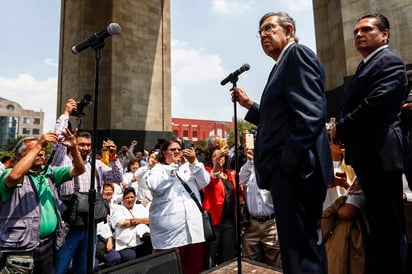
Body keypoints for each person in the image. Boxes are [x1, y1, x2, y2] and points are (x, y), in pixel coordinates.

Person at [231, 11, 334, 273]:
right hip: (291, 172)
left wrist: (284, 163)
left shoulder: (297, 55)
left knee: (302, 251)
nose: (263, 35)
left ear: (288, 30)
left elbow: (311, 115)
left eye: (269, 28)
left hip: (297, 172)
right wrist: (249, 105)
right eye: (260, 32)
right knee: (294, 249)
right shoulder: (280, 65)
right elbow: (278, 119)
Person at [330, 13, 408, 274]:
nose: (358, 35)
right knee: (377, 229)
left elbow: (374, 105)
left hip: (382, 156)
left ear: (384, 34)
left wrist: (342, 126)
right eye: (355, 32)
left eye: (366, 29)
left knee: (390, 230)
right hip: (368, 157)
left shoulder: (390, 62)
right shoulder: (364, 66)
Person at [50, 99, 124, 274]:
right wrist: (66, 113)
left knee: (84, 268)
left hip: (90, 225)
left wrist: (113, 158)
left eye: (88, 145)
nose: (85, 148)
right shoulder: (63, 160)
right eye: (81, 144)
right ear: (73, 142)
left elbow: (117, 177)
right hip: (68, 226)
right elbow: (57, 140)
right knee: (60, 267)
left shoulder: (96, 164)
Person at [0, 131, 85, 274]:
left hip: (47, 245)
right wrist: (39, 143)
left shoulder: (49, 174)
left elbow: (79, 169)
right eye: (36, 151)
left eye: (43, 151)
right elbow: (14, 176)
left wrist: (74, 148)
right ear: (20, 156)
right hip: (20, 248)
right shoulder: (9, 174)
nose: (41, 153)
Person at [146, 139, 210, 274]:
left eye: (179, 149)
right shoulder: (157, 169)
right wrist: (172, 168)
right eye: (173, 149)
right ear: (164, 152)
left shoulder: (189, 167)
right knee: (170, 269)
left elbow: (205, 181)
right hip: (170, 233)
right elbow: (156, 187)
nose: (177, 152)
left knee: (194, 268)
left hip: (193, 230)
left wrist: (194, 162)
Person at [239, 147, 281, 269]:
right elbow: (242, 178)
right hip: (252, 224)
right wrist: (250, 161)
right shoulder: (249, 170)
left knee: (275, 263)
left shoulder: (273, 170)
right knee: (249, 263)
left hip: (271, 224)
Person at [202, 145, 237, 269]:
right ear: (210, 158)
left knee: (229, 256)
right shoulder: (206, 172)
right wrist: (217, 161)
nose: (220, 158)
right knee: (210, 256)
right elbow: (214, 176)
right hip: (213, 222)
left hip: (229, 221)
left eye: (222, 156)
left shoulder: (229, 174)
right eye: (216, 156)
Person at [110, 187, 151, 262]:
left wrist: (137, 220)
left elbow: (150, 220)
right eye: (127, 198)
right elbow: (123, 223)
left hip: (143, 241)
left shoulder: (140, 207)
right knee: (129, 259)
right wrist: (141, 220)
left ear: (135, 198)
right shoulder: (118, 209)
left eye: (132, 197)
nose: (130, 200)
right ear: (123, 199)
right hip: (125, 245)